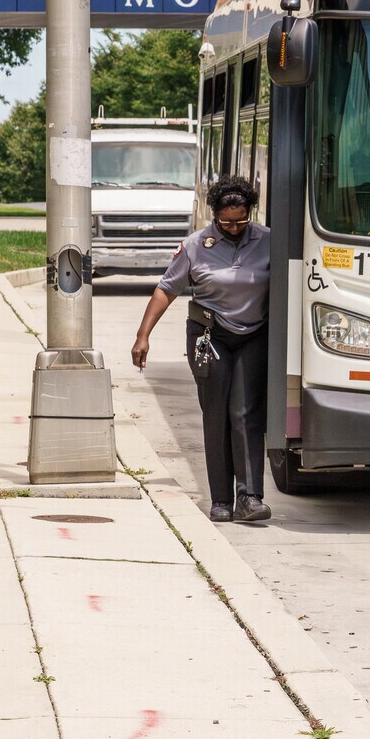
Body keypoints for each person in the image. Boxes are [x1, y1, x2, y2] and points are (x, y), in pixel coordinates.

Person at [129, 175, 273, 523]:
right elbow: (166, 290)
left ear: (250, 212)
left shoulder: (269, 241)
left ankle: (250, 496)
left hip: (253, 335)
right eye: (226, 222)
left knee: (245, 413)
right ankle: (221, 499)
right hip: (210, 336)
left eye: (241, 221)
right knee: (216, 415)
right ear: (214, 214)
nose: (234, 228)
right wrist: (143, 335)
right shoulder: (195, 245)